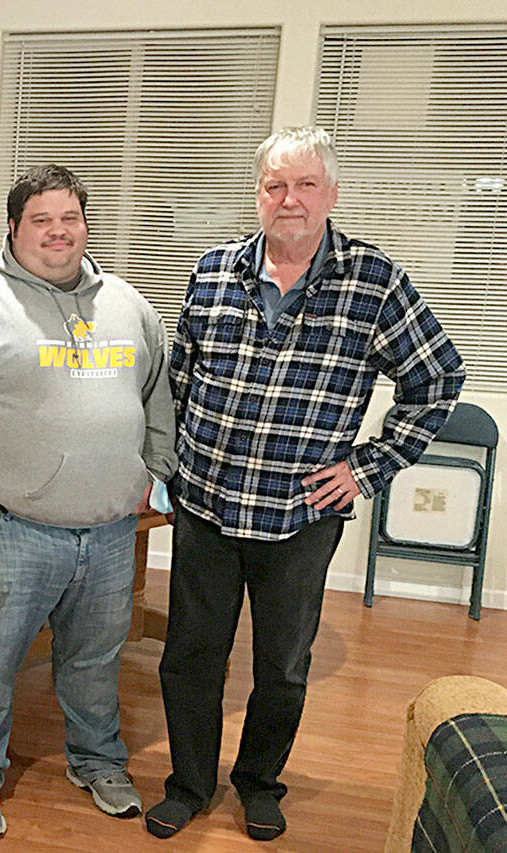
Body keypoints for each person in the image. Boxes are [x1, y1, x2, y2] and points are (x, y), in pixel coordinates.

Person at [145, 126, 465, 842]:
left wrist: (366, 466)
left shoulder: (374, 281)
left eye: (304, 185)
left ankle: (259, 782)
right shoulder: (214, 269)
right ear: (258, 194)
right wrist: (166, 466)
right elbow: (180, 373)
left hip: (300, 514)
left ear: (331, 193)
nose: (288, 199)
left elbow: (438, 377)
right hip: (207, 502)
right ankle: (189, 783)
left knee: (284, 666)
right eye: (274, 185)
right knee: (191, 656)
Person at [0, 164, 177, 840]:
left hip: (112, 528)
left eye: (70, 218)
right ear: (13, 227)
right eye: (42, 220)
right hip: (8, 527)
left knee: (95, 656)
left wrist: (158, 470)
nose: (58, 232)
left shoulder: (128, 305)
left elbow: (159, 397)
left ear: (86, 224)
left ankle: (96, 758)